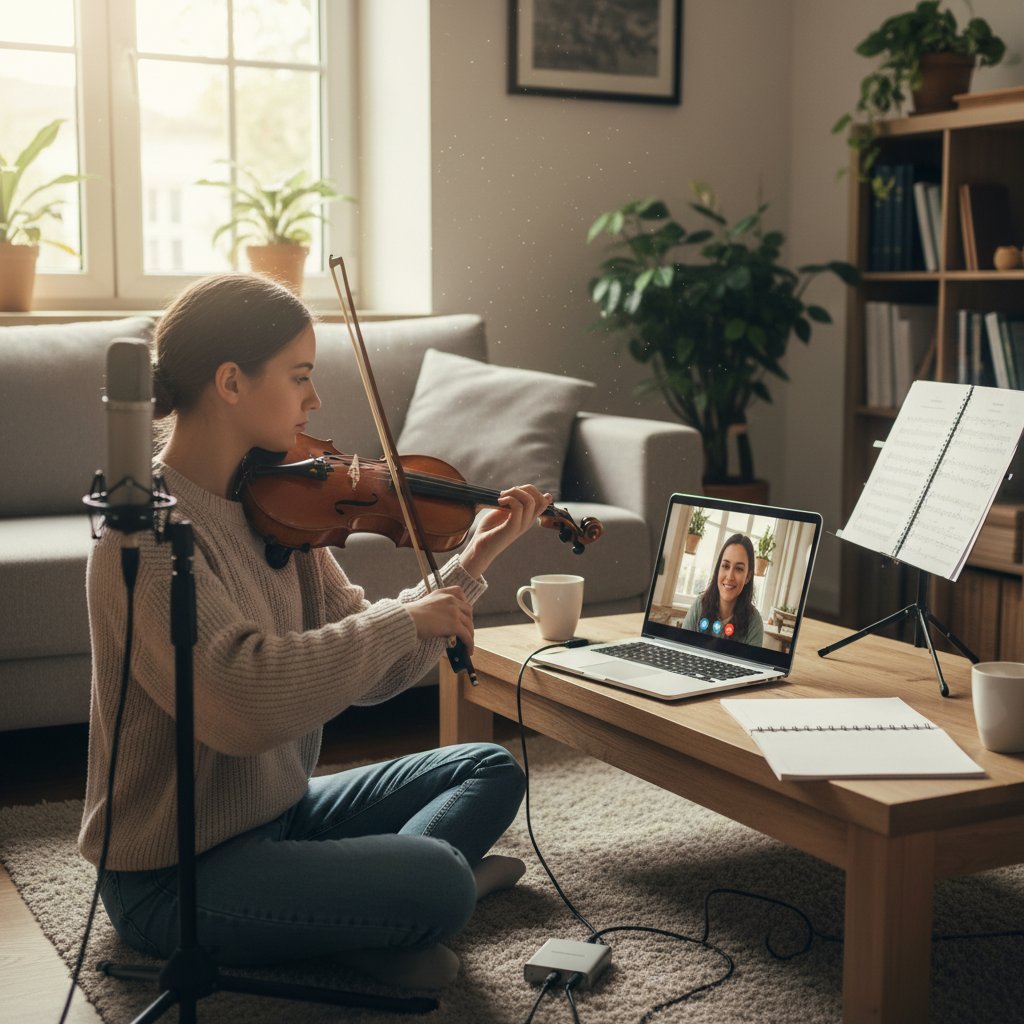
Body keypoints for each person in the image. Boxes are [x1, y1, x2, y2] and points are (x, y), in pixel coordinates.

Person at [78, 273, 550, 990]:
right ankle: (408, 899)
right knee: (440, 882)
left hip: (280, 816)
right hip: (173, 877)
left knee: (487, 768)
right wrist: (402, 620)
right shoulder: (142, 534)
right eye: (300, 376)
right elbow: (241, 703)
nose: (314, 399)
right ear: (231, 382)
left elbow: (377, 671)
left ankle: (365, 913)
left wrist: (470, 561)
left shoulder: (279, 504)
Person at [681, 533, 764, 646]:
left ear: (748, 577)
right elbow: (682, 649)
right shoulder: (699, 605)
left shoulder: (754, 622)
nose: (730, 576)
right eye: (725, 566)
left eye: (739, 569)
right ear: (718, 570)